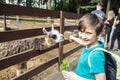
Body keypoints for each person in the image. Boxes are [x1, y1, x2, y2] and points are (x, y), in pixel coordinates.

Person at [62, 13, 106, 80]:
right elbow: (82, 42)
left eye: (88, 33)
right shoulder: (91, 44)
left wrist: (75, 77)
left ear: (98, 35)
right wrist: (73, 38)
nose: (83, 36)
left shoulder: (96, 55)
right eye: (81, 32)